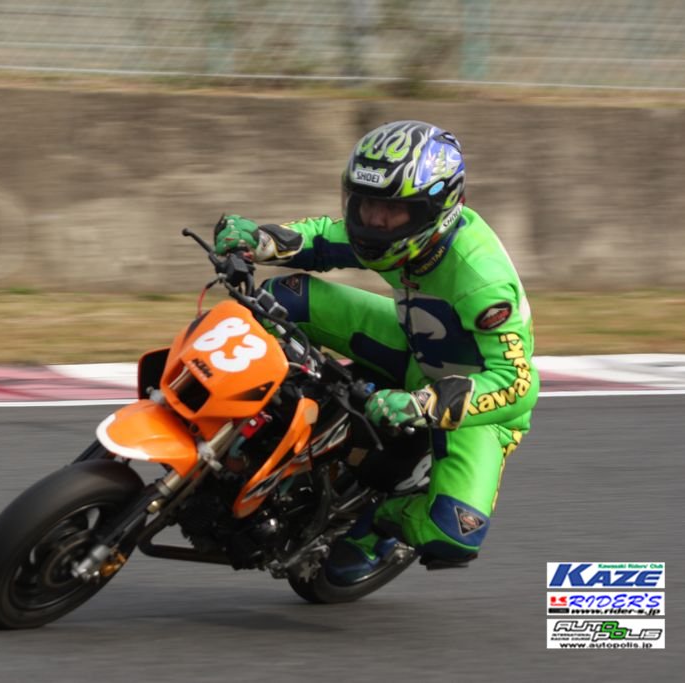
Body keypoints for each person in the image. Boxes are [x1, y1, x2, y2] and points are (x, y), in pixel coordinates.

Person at [213, 120, 538, 584]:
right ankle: (252, 410)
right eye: (365, 204)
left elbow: (518, 384)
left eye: (392, 210)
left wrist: (424, 404)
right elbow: (322, 239)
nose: (374, 221)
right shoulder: (399, 233)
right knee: (284, 295)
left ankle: (379, 524)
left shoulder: (483, 282)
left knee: (454, 533)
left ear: (437, 210)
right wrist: (258, 240)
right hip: (410, 340)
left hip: (471, 400)